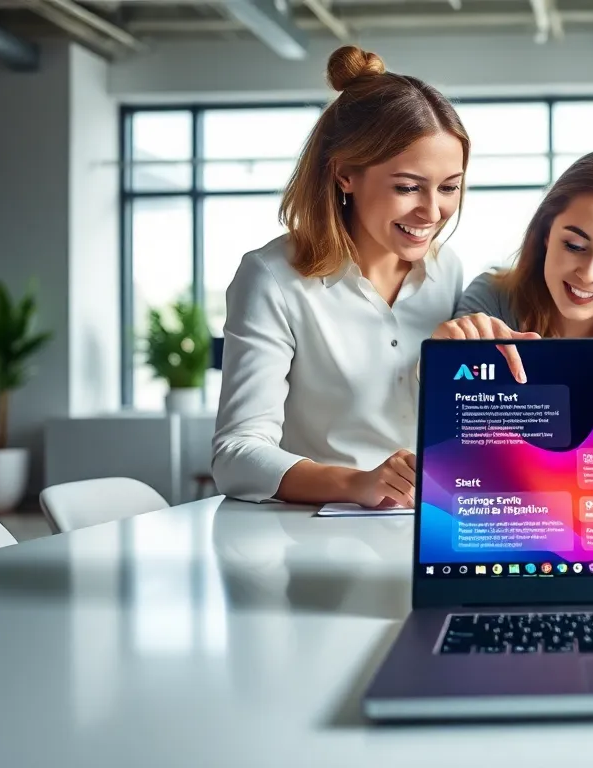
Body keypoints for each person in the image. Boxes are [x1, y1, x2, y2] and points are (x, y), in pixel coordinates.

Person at [212, 45, 526, 507]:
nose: (432, 211)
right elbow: (236, 453)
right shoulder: (272, 277)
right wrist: (356, 484)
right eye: (407, 187)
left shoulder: (447, 270)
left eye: (449, 187)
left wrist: (455, 371)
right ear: (344, 175)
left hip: (426, 525)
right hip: (307, 534)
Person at [437, 149, 593, 343]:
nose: (588, 274)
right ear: (546, 233)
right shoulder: (493, 299)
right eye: (574, 246)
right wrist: (440, 365)